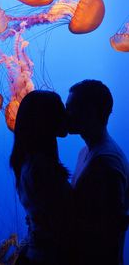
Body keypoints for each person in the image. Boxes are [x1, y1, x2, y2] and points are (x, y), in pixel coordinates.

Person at [66, 79, 129, 265]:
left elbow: (112, 226)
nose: (65, 114)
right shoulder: (85, 152)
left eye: (71, 108)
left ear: (91, 111)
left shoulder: (106, 161)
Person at [10, 90, 75, 265]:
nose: (66, 114)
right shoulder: (40, 167)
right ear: (45, 119)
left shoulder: (31, 160)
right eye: (60, 109)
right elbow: (66, 219)